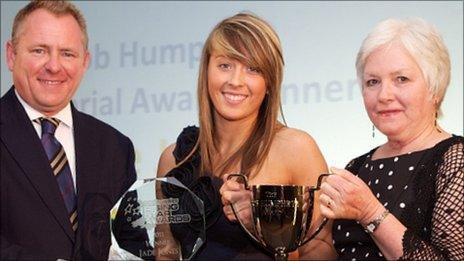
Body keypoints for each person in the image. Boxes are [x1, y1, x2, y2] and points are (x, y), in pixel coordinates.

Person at [156, 12, 329, 259]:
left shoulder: (296, 149)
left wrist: (264, 226)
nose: (236, 81)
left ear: (269, 81)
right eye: (225, 65)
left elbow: (321, 248)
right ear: (206, 72)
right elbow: (165, 251)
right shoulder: (173, 160)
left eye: (253, 69)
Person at [318, 17, 464, 260]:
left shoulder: (455, 159)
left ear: (434, 88)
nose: (384, 95)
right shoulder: (356, 167)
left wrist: (369, 212)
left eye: (401, 79)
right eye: (373, 82)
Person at [0, 1, 136, 260]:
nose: (54, 66)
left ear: (85, 62)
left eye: (67, 54)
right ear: (11, 55)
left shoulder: (115, 147)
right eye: (39, 50)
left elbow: (130, 243)